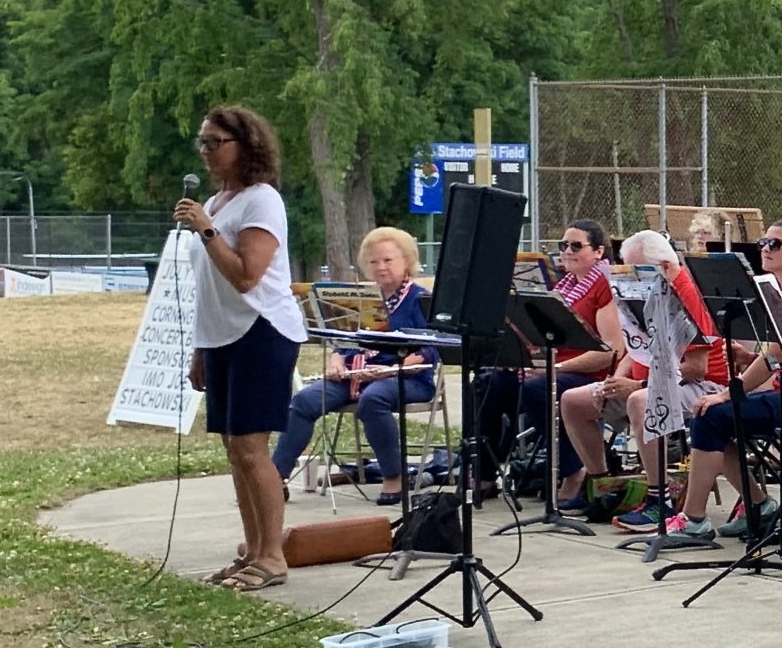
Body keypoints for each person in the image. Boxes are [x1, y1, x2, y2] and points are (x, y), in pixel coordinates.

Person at [175, 105, 305, 593]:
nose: (206, 152)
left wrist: (207, 229)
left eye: (216, 143)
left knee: (253, 449)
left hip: (262, 331)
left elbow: (247, 276)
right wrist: (201, 349)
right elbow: (210, 287)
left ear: (245, 146)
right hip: (222, 336)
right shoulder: (220, 198)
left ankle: (274, 557)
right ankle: (251, 550)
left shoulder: (261, 200)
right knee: (234, 449)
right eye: (202, 143)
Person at [669, 219, 782, 539]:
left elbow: (779, 354)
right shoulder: (780, 289)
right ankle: (758, 504)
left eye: (776, 244)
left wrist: (727, 393)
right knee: (715, 420)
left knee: (713, 415)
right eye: (764, 242)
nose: (766, 248)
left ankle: (694, 519)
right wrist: (749, 360)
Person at [556, 229, 724, 523]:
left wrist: (639, 384)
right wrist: (615, 379)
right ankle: (603, 486)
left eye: (638, 269)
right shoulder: (642, 289)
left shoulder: (686, 292)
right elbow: (633, 348)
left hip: (701, 384)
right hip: (649, 380)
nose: (631, 275)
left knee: (641, 401)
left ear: (666, 267)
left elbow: (697, 367)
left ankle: (660, 498)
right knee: (573, 400)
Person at [270, 227, 438, 506]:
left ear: (406, 261)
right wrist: (336, 362)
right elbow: (343, 341)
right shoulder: (359, 299)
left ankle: (394, 477)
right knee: (303, 401)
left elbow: (433, 349)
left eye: (388, 260)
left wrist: (393, 368)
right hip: (354, 376)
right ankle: (276, 479)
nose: (380, 267)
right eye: (374, 262)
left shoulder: (420, 299)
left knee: (373, 400)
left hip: (406, 378)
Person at [473, 219, 623, 497]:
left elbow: (610, 352)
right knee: (489, 383)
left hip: (589, 374)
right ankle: (484, 475)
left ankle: (573, 470)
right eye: (563, 245)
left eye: (576, 245)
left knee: (539, 390)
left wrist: (554, 368)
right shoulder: (564, 286)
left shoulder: (605, 285)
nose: (567, 251)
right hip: (556, 367)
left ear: (599, 251)